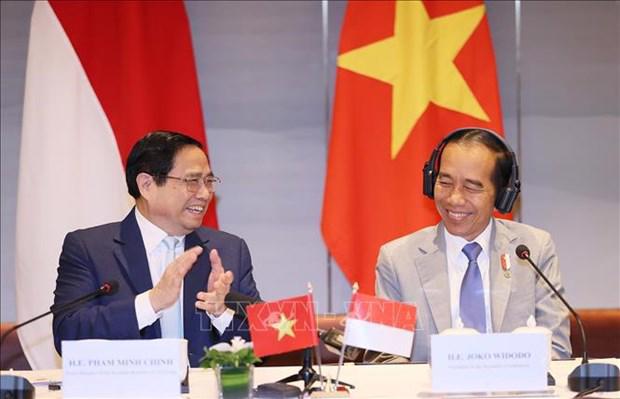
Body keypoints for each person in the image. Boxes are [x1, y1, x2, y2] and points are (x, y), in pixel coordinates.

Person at [52, 130, 260, 367]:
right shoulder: (90, 248)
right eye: (192, 181)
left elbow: (263, 344)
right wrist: (151, 303)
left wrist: (220, 313)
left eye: (209, 182)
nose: (204, 194)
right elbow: (67, 334)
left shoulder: (229, 250)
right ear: (147, 185)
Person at [375, 127, 571, 362]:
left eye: (471, 187)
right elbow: (387, 360)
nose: (454, 198)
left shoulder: (534, 249)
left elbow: (557, 350)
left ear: (501, 195)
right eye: (444, 182)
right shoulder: (396, 259)